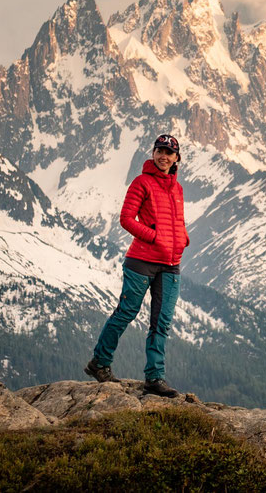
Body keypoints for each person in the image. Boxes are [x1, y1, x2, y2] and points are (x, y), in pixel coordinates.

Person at [84, 134, 189, 397]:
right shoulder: (141, 182)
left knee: (161, 323)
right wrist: (154, 236)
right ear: (153, 153)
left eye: (169, 152)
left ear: (176, 158)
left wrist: (183, 238)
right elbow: (126, 219)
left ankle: (155, 378)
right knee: (126, 313)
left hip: (170, 264)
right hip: (141, 261)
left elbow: (176, 221)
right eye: (159, 151)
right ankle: (100, 362)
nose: (163, 156)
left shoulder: (177, 189)